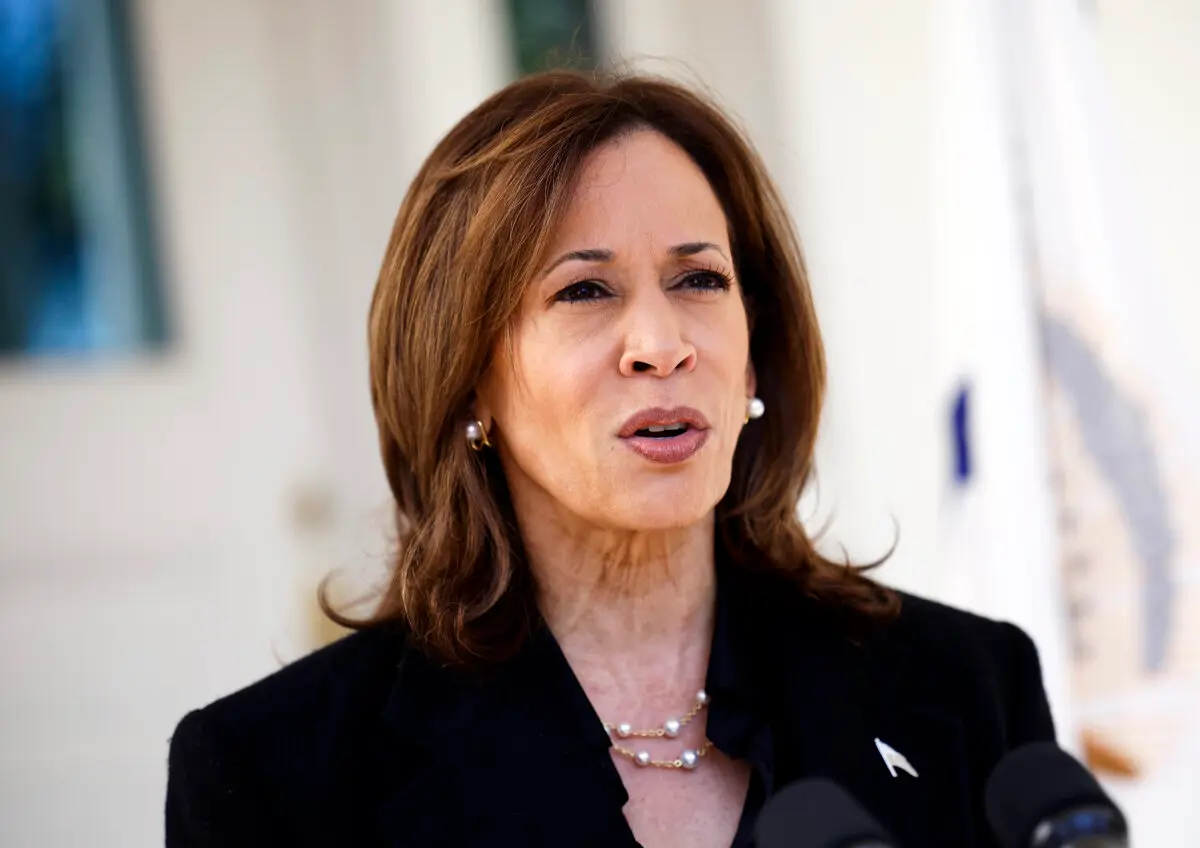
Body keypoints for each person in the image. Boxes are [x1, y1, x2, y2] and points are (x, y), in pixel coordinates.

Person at [165, 70, 1055, 848]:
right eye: (584, 290)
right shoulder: (273, 775)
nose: (661, 345)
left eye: (699, 279)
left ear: (755, 351)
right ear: (467, 378)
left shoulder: (969, 687)